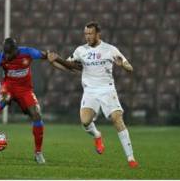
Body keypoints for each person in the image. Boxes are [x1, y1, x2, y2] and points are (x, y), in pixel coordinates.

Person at [48, 22, 137, 168]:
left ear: (97, 34)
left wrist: (123, 66)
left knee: (117, 118)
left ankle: (131, 158)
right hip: (90, 91)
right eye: (86, 34)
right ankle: (97, 135)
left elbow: (130, 67)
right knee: (85, 121)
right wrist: (53, 62)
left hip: (107, 90)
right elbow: (67, 67)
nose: (88, 36)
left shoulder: (110, 49)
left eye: (90, 34)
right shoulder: (80, 50)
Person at [0, 38, 60, 164]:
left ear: (16, 50)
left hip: (25, 90)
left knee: (37, 116)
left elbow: (46, 55)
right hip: (8, 87)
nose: (7, 56)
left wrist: (51, 56)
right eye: (5, 53)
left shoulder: (28, 52)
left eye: (9, 53)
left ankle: (38, 153)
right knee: (5, 99)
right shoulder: (1, 57)